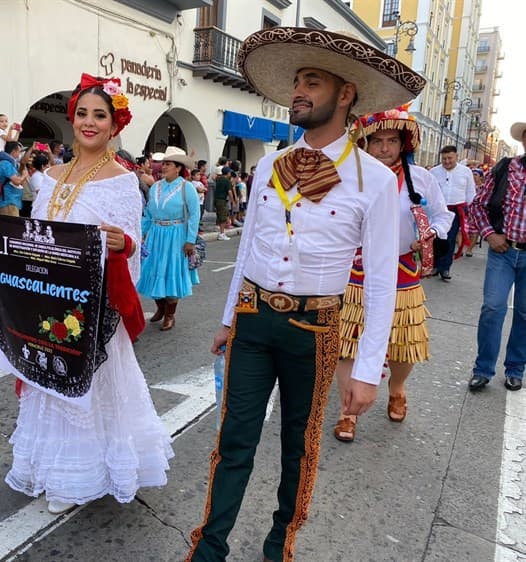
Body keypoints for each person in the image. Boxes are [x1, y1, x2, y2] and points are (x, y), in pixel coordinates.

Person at [186, 27, 425, 562]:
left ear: (345, 95)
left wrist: (367, 369)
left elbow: (383, 281)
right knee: (233, 444)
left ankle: (280, 545)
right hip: (252, 320)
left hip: (315, 329)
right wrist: (227, 320)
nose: (298, 91)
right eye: (296, 81)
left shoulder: (375, 182)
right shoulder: (271, 165)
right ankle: (210, 549)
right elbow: (248, 247)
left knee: (300, 446)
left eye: (311, 82)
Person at [5, 73, 173, 515]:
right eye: (82, 113)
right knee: (49, 382)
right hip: (47, 297)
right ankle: (49, 465)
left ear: (115, 124)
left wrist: (124, 244)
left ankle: (75, 475)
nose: (89, 122)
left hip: (92, 305)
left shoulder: (121, 180)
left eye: (100, 115)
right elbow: (34, 236)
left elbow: (133, 243)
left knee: (87, 387)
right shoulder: (50, 177)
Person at [332, 105, 453, 442]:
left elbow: (444, 217)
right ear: (366, 145)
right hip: (356, 270)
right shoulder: (351, 177)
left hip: (401, 269)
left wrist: (427, 235)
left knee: (404, 342)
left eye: (391, 141)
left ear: (403, 145)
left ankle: (396, 388)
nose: (384, 147)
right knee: (347, 343)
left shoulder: (422, 179)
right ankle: (347, 411)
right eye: (377, 141)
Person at [467, 122, 526, 393]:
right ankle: (483, 369)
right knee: (492, 308)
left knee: (525, 314)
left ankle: (515, 369)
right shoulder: (506, 167)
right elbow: (478, 204)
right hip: (503, 251)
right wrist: (490, 234)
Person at [136, 146, 201, 331]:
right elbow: (148, 214)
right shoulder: (156, 186)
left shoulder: (186, 187)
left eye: (168, 164)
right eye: (162, 163)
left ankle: (170, 314)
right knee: (152, 270)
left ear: (178, 167)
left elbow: (195, 215)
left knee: (170, 273)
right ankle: (161, 308)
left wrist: (190, 240)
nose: (163, 167)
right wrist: (139, 233)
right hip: (155, 235)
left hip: (176, 235)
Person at [430, 145, 476, 280]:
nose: (447, 161)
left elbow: (470, 192)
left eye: (450, 158)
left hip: (457, 210)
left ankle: (445, 268)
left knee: (450, 239)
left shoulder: (466, 172)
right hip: (438, 210)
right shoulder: (433, 172)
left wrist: (471, 211)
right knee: (436, 238)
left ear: (456, 156)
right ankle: (435, 265)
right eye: (444, 158)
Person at [0, 141, 29, 217]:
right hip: (8, 201)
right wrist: (24, 175)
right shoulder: (6, 164)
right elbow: (17, 181)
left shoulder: (8, 163)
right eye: (19, 152)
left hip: (10, 200)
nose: (19, 154)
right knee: (11, 227)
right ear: (13, 151)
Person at [213, 166, 232, 240]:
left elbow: (214, 177)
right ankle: (222, 233)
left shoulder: (219, 179)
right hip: (222, 200)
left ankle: (220, 231)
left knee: (219, 215)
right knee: (223, 217)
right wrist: (233, 200)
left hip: (216, 199)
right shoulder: (227, 181)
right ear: (228, 173)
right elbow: (229, 192)